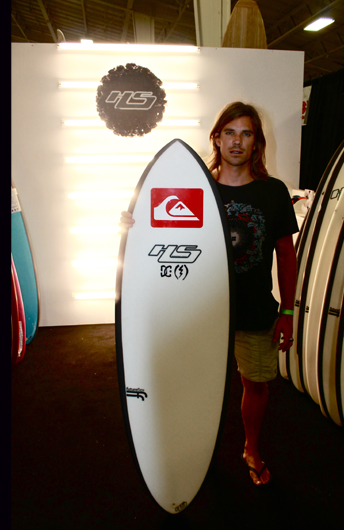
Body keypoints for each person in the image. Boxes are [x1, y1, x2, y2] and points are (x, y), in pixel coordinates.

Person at [119, 102, 298, 486]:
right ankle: (198, 449)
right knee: (196, 380)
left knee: (256, 383)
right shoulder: (192, 189)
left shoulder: (273, 192)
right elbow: (154, 236)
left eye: (246, 133)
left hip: (253, 309)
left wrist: (288, 311)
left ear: (256, 142)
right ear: (216, 138)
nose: (237, 141)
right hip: (200, 308)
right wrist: (132, 224)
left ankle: (251, 447)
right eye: (229, 132)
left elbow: (286, 253)